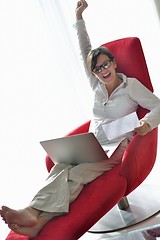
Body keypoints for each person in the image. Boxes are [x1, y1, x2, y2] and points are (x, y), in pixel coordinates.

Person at [1, 0, 160, 237]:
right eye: (97, 69)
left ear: (114, 63)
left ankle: (34, 214)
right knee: (60, 167)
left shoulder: (130, 86)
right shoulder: (96, 84)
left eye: (106, 65)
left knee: (75, 174)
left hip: (117, 149)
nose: (103, 71)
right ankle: (35, 217)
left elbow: (158, 105)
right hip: (92, 144)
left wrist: (146, 123)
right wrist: (79, 18)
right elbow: (84, 50)